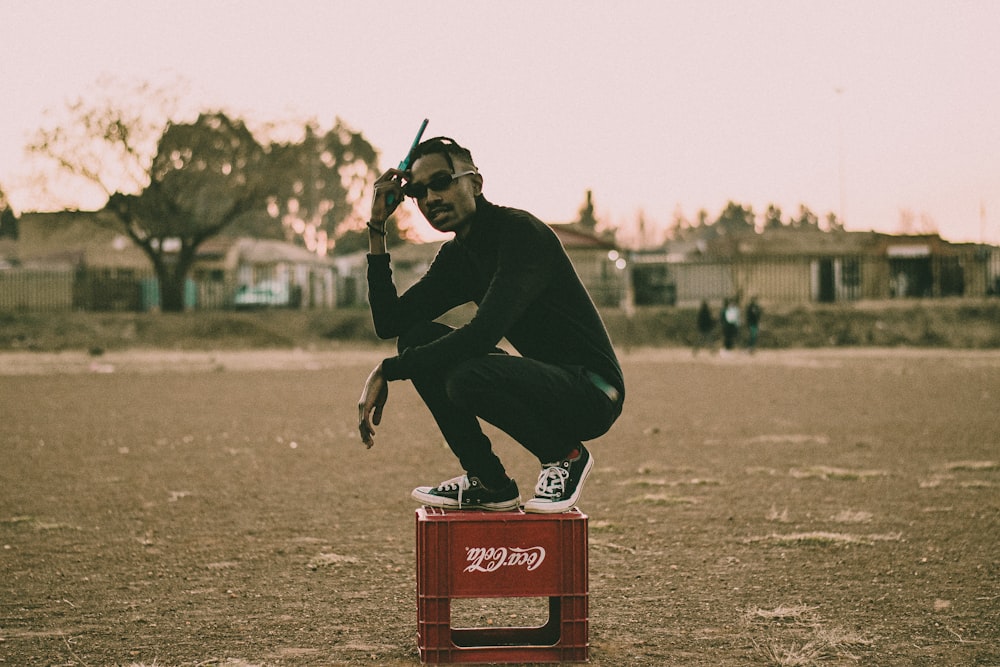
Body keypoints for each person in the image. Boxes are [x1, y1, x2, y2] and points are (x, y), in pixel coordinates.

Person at [357, 136, 624, 514]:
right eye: (417, 191)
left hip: (593, 391)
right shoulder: (457, 256)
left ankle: (566, 456)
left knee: (467, 376)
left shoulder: (520, 234)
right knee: (415, 338)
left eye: (441, 182)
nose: (430, 198)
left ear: (476, 184)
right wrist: (376, 227)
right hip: (543, 381)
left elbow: (484, 333)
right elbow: (390, 323)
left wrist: (390, 370)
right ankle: (488, 482)